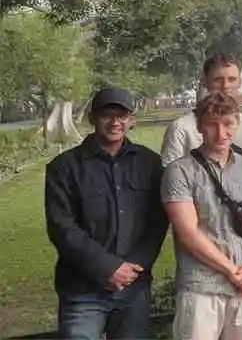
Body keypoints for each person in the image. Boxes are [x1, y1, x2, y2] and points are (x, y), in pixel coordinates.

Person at [45, 88, 169, 340]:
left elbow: (158, 222)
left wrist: (132, 269)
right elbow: (62, 227)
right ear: (92, 118)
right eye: (107, 115)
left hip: (134, 289)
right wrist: (109, 268)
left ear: (131, 119)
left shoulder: (150, 163)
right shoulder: (64, 168)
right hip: (82, 291)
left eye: (122, 115)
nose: (115, 122)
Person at [162, 92, 242, 340]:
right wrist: (229, 270)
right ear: (200, 126)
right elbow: (188, 232)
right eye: (212, 125)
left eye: (228, 124)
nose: (221, 133)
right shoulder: (180, 171)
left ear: (237, 123)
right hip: (202, 285)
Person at [160, 53, 242, 166]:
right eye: (218, 80)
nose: (225, 86)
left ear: (240, 82)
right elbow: (170, 176)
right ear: (205, 81)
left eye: (232, 79)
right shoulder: (181, 129)